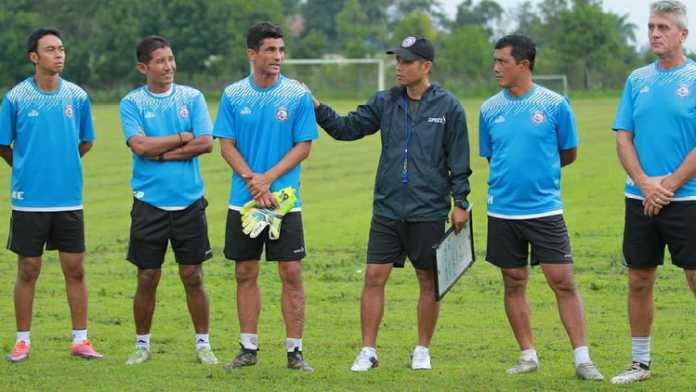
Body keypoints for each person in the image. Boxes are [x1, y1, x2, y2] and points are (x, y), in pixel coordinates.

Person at [311, 36, 471, 371]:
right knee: (373, 275)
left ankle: (422, 349)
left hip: (428, 209)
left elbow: (459, 159)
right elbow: (346, 129)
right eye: (397, 60)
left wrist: (461, 202)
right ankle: (368, 350)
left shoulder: (449, 107)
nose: (399, 67)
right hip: (387, 208)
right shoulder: (385, 102)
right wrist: (317, 108)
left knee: (428, 280)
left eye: (407, 61)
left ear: (425, 66)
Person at [479, 34, 603, 380]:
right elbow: (491, 156)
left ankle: (582, 359)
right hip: (502, 210)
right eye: (495, 61)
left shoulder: (554, 104)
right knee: (513, 280)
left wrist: (540, 175)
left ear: (524, 64)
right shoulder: (489, 109)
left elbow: (568, 153)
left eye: (502, 61)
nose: (496, 68)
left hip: (545, 210)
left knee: (562, 280)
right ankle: (527, 355)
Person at [213, 22, 317, 372]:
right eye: (270, 50)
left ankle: (295, 352)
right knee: (245, 271)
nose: (278, 57)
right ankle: (248, 348)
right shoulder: (232, 95)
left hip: (285, 201)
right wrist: (252, 181)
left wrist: (267, 180)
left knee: (290, 272)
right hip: (243, 201)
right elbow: (226, 145)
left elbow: (303, 146)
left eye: (281, 50)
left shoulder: (297, 95)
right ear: (252, 54)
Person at [0, 28, 101, 362]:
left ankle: (80, 340)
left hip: (69, 198)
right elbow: (3, 143)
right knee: (28, 269)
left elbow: (86, 141)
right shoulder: (16, 98)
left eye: (61, 49)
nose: (59, 55)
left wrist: (63, 165)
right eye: (50, 50)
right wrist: (26, 168)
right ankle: (23, 341)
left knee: (75, 269)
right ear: (34, 57)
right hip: (29, 199)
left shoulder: (77, 96)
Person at [610, 1, 696, 384]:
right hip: (640, 196)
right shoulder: (636, 79)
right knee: (639, 278)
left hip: (688, 197)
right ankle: (640, 363)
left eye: (663, 27)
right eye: (650, 27)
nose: (655, 33)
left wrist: (670, 185)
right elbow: (624, 137)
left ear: (683, 34)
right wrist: (645, 183)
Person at [119, 36, 217, 365]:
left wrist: (161, 153)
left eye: (171, 59)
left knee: (193, 275)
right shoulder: (131, 103)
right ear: (144, 67)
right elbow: (141, 148)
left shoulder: (193, 97)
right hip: (149, 203)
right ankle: (142, 345)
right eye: (161, 61)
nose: (169, 66)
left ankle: (203, 343)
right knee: (148, 276)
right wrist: (179, 138)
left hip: (189, 201)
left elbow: (205, 143)